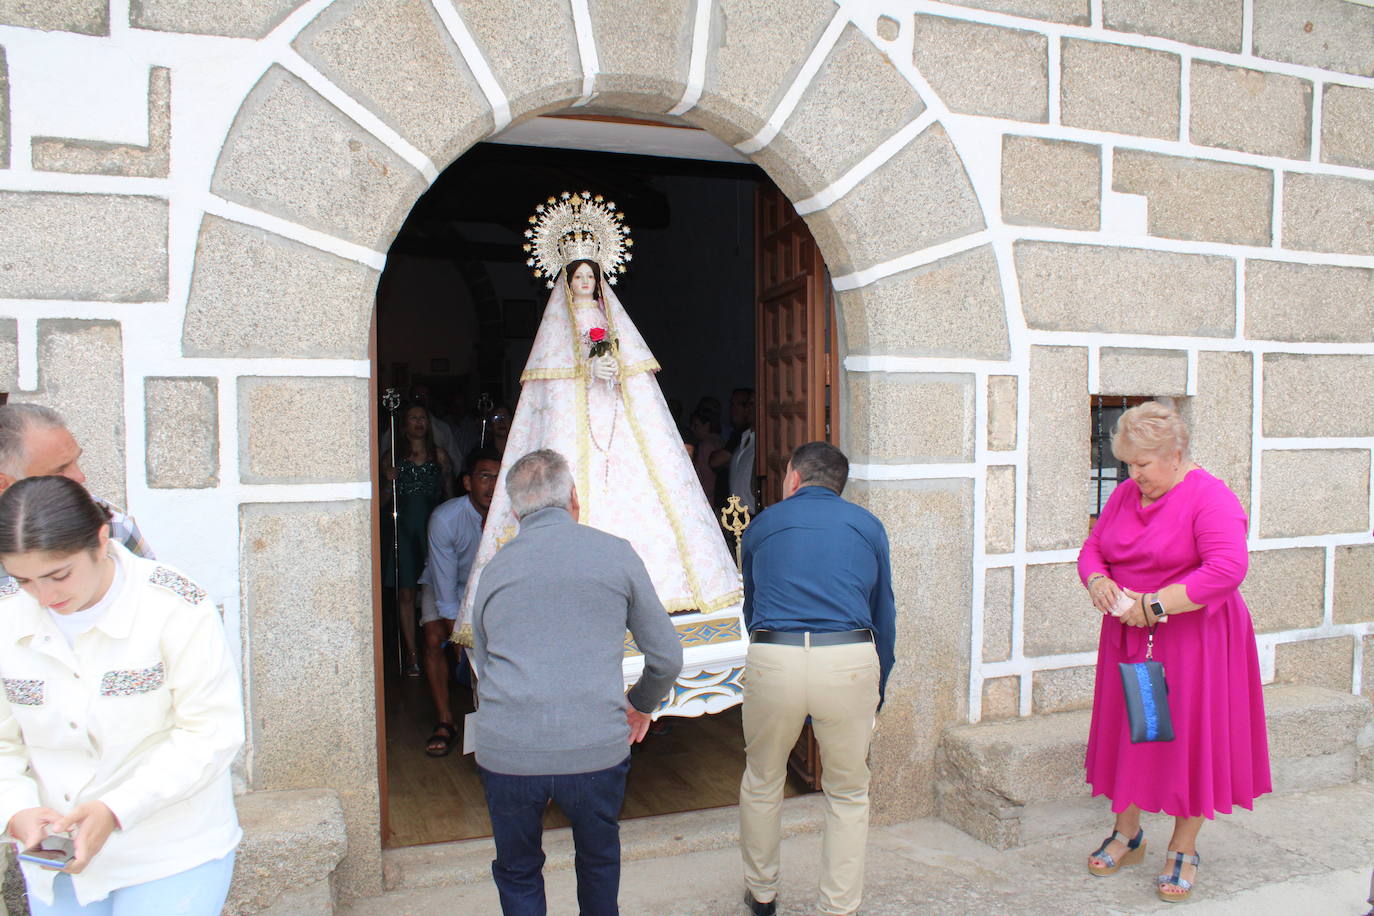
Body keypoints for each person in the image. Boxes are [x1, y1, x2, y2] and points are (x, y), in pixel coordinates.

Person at [463, 192, 741, 624]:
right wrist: (584, 370)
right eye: (578, 278)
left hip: (613, 416)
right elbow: (550, 393)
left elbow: (631, 376)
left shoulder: (613, 322)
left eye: (592, 277)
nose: (586, 284)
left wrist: (609, 368)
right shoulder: (555, 331)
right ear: (566, 280)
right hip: (571, 423)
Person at [0, 476, 243, 914]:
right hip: (56, 859)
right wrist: (15, 811)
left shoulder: (175, 606)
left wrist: (114, 810)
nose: (44, 596)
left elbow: (210, 733)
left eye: (59, 575)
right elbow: (3, 744)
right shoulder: (6, 615)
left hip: (171, 848)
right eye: (24, 580)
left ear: (101, 539)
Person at [469, 449, 682, 915]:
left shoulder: (493, 571)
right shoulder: (615, 553)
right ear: (574, 499)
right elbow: (666, 657)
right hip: (595, 742)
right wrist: (639, 705)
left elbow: (484, 665)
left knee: (518, 869)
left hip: (509, 746)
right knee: (599, 859)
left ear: (515, 509)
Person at [1078, 401, 1270, 903]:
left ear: (1176, 452)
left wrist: (1158, 604)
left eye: (1143, 464)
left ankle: (1183, 847)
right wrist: (1097, 579)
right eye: (1128, 464)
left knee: (1189, 737)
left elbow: (1227, 568)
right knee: (1133, 730)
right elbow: (1093, 546)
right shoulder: (1125, 494)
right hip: (1130, 633)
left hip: (1194, 638)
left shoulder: (1212, 498)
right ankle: (1128, 834)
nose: (1133, 474)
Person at [737, 441, 896, 916]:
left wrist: (766, 652)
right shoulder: (867, 525)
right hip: (847, 658)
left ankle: (762, 894)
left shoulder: (762, 524)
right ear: (838, 484)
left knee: (763, 779)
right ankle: (838, 906)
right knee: (848, 791)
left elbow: (752, 603)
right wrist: (878, 684)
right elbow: (882, 613)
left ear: (792, 478)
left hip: (775, 653)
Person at [417, 446, 500, 757]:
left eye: (498, 477)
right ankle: (445, 720)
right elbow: (445, 591)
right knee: (434, 636)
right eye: (484, 477)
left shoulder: (513, 516)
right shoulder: (446, 518)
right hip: (445, 583)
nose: (492, 485)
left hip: (488, 589)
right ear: (467, 482)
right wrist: (459, 639)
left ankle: (498, 721)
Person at [0, 404, 153, 560]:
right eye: (60, 470)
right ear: (3, 484)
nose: (80, 477)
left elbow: (156, 582)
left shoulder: (111, 526)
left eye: (76, 460)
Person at [383, 403, 453, 677]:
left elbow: (450, 496)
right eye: (413, 418)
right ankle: (412, 653)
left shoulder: (440, 457)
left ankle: (437, 646)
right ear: (403, 425)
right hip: (404, 531)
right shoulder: (392, 459)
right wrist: (388, 482)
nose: (419, 423)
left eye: (423, 418)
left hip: (433, 529)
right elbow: (383, 503)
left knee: (438, 589)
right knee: (406, 592)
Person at [713, 388, 756, 513]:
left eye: (752, 404)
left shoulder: (767, 442)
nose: (748, 408)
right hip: (736, 514)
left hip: (753, 513)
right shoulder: (744, 437)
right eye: (747, 404)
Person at [688, 408, 725, 503]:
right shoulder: (720, 441)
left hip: (708, 500)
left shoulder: (706, 445)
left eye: (696, 425)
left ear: (707, 426)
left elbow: (707, 478)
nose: (692, 428)